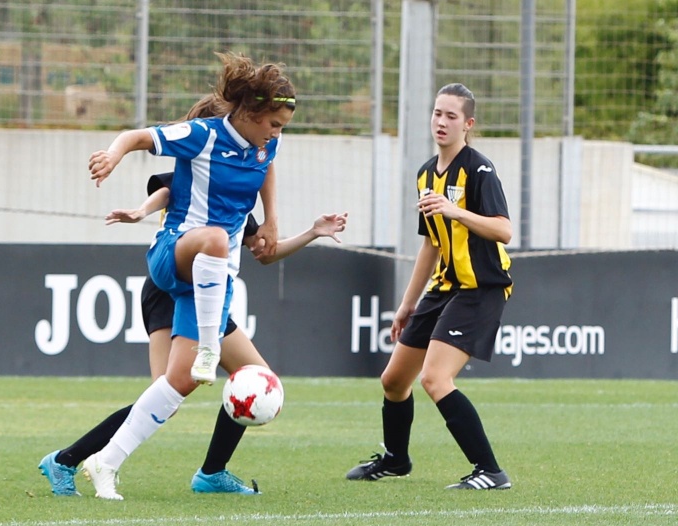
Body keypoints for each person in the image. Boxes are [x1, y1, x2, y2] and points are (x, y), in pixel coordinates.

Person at [38, 171, 347, 498]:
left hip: (210, 298)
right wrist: (142, 210)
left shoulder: (237, 194)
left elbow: (265, 252)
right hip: (172, 291)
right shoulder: (202, 164)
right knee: (165, 396)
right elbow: (166, 191)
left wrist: (313, 232)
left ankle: (212, 473)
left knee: (255, 377)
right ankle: (65, 460)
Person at [81, 51, 299, 500]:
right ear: (251, 113)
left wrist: (273, 217)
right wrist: (113, 156)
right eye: (274, 124)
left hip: (210, 282)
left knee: (177, 383)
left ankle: (105, 462)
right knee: (217, 238)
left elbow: (267, 167)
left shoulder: (265, 144)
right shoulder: (203, 135)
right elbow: (138, 136)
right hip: (175, 253)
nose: (277, 134)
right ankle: (208, 350)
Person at [345, 83, 513, 490]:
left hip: (481, 287)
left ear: (468, 124)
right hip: (444, 288)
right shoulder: (425, 174)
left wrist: (456, 210)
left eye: (451, 116)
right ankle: (396, 459)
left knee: (435, 379)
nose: (441, 121)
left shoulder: (479, 169)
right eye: (437, 113)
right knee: (393, 380)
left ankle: (490, 471)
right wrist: (407, 304)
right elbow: (431, 244)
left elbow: (504, 230)